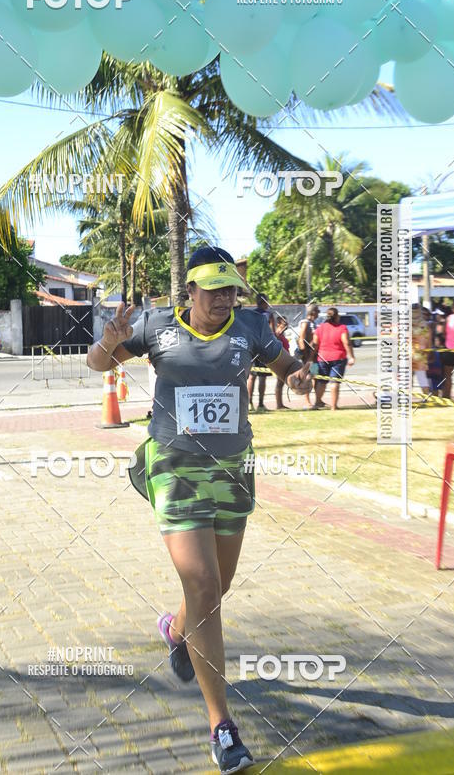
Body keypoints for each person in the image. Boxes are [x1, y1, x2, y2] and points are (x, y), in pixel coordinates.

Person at [87, 246, 312, 774]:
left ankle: (176, 630)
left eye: (230, 288)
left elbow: (286, 368)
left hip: (232, 469)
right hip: (175, 468)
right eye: (213, 289)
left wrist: (297, 378)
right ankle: (222, 728)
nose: (223, 298)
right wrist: (111, 340)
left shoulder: (251, 327)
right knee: (206, 587)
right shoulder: (156, 326)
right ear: (189, 290)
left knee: (216, 588)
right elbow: (97, 364)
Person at [312, 307, 355, 410]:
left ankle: (317, 403)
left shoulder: (320, 328)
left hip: (322, 358)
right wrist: (351, 356)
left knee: (321, 382)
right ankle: (334, 406)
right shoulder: (342, 328)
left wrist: (311, 358)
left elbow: (315, 345)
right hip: (338, 358)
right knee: (334, 382)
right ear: (337, 316)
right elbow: (346, 342)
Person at [246, 294, 275, 412]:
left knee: (251, 376)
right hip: (263, 348)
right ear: (265, 302)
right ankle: (261, 404)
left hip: (252, 348)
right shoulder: (269, 315)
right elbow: (272, 333)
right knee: (262, 377)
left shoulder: (250, 315)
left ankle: (249, 403)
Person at [296, 304, 319, 408]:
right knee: (307, 378)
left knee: (314, 377)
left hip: (314, 356)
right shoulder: (305, 323)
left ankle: (318, 400)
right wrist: (305, 356)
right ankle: (307, 401)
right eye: (317, 311)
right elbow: (301, 339)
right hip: (308, 356)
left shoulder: (313, 323)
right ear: (313, 312)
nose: (318, 313)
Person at [274, 316, 291, 409]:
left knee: (281, 383)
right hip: (280, 361)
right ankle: (279, 404)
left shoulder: (282, 335)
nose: (286, 325)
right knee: (279, 383)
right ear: (278, 324)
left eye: (287, 323)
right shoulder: (277, 335)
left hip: (285, 360)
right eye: (284, 324)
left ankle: (280, 404)